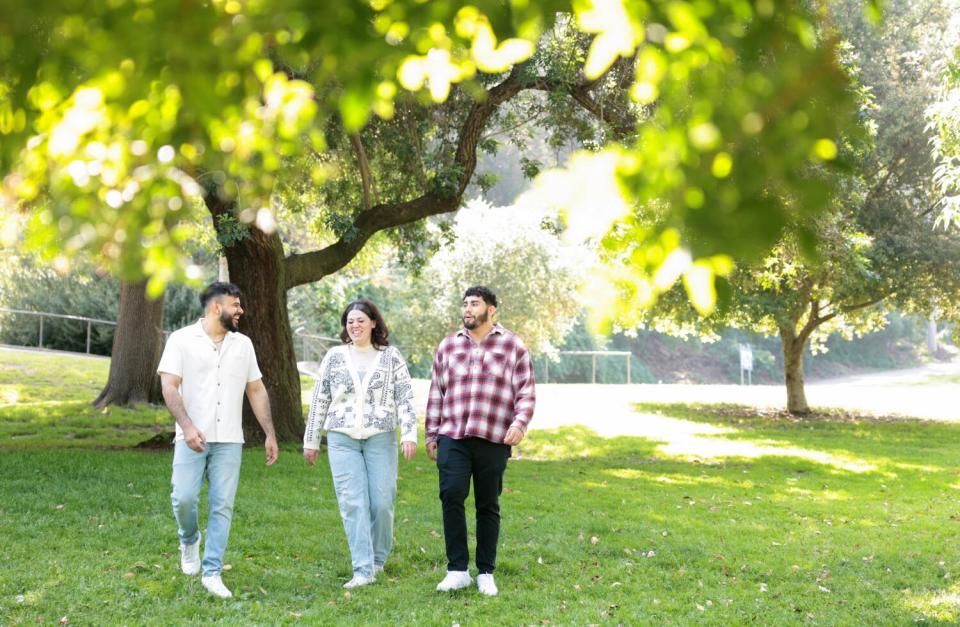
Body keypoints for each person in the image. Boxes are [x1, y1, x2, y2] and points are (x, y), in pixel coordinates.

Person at [157, 281, 279, 599]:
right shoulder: (181, 340)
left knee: (222, 505)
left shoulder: (244, 345)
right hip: (191, 435)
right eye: (235, 305)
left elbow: (256, 389)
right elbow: (169, 386)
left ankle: (212, 572)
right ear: (216, 307)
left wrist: (270, 433)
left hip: (229, 440)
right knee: (182, 497)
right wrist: (186, 426)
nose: (241, 310)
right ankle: (189, 539)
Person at [426, 285, 535, 596]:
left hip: (493, 437)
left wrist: (520, 424)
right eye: (465, 304)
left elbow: (526, 391)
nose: (468, 309)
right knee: (451, 494)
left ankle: (486, 571)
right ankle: (457, 569)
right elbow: (437, 392)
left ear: (491, 310)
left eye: (475, 303)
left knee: (488, 503)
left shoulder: (513, 346)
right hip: (453, 435)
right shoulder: (448, 346)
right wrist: (431, 433)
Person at [303, 299, 418, 589]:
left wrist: (409, 433)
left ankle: (378, 560)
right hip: (342, 438)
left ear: (373, 323)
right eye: (350, 321)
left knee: (381, 502)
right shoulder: (334, 356)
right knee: (353, 502)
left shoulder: (391, 356)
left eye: (360, 320)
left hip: (381, 437)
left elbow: (405, 396)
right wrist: (312, 439)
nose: (354, 326)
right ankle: (362, 569)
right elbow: (320, 398)